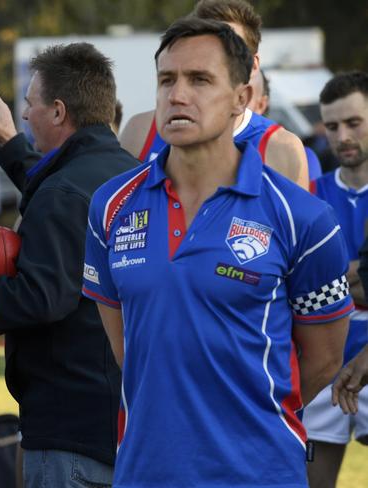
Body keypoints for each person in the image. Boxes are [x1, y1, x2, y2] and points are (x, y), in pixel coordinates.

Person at [83, 18, 351, 487]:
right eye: (167, 80)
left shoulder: (301, 216)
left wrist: (249, 413)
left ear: (241, 99)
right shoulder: (111, 205)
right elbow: (130, 350)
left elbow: (325, 358)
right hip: (146, 471)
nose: (177, 95)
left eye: (200, 80)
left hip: (260, 471)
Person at [0, 42, 138, 487]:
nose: (25, 115)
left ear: (59, 111)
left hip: (70, 427)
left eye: (30, 104)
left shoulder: (64, 193)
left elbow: (40, 296)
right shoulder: (133, 175)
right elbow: (64, 186)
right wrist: (10, 145)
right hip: (124, 417)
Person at [119, 0, 309, 189]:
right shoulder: (141, 130)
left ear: (253, 66)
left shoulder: (280, 148)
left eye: (231, 47)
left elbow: (299, 217)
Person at [303, 71, 368, 488]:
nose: (342, 136)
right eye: (332, 126)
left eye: (354, 123)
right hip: (322, 360)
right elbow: (302, 281)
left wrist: (336, 274)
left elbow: (325, 279)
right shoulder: (309, 193)